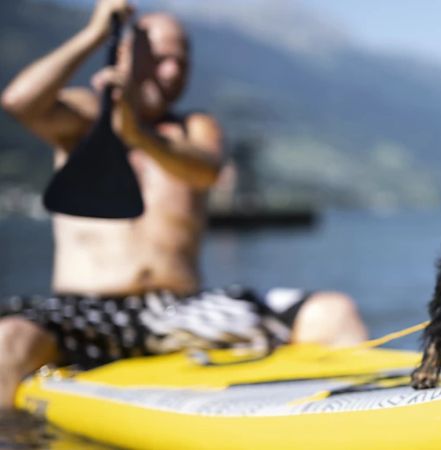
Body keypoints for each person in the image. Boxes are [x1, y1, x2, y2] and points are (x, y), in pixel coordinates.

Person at [0, 0, 368, 408]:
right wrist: (94, 34)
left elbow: (204, 170)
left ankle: (368, 419)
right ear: (125, 56)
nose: (172, 72)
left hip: (182, 310)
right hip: (87, 310)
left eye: (182, 61)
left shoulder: (195, 128)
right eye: (159, 59)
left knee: (332, 312)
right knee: (8, 339)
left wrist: (138, 133)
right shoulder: (83, 118)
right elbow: (20, 101)